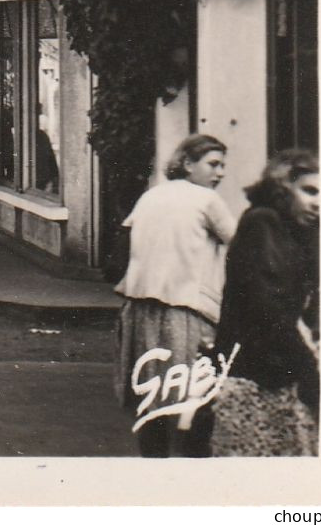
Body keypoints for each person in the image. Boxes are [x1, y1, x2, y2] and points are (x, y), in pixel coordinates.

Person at [114, 133, 236, 457]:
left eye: (223, 165)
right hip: (187, 309)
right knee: (196, 394)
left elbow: (125, 242)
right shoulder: (208, 200)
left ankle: (155, 466)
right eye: (213, 164)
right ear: (186, 163)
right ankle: (192, 472)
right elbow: (239, 245)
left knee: (151, 392)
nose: (220, 173)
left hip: (140, 307)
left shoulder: (150, 197)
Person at [209, 149, 319, 457]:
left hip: (276, 372)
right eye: (309, 190)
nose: (318, 202)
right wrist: (309, 368)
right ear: (283, 187)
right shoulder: (264, 222)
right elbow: (268, 307)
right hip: (258, 378)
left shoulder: (298, 228)